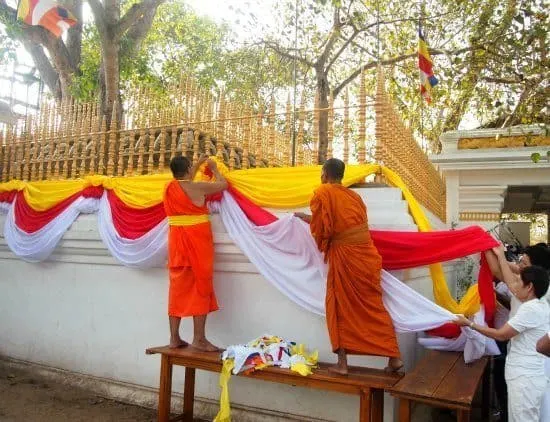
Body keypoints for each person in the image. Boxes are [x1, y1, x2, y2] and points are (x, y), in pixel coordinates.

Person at [295, 158, 402, 375]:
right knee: (373, 306)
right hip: (366, 256)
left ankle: (342, 364)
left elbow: (324, 230)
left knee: (338, 307)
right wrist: (310, 219)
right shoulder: (355, 197)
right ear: (341, 175)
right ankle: (394, 357)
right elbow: (340, 224)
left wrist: (308, 222)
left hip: (345, 257)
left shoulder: (322, 193)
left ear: (325, 174)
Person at [455, 245, 550, 422]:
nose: (518, 267)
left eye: (524, 263)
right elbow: (500, 269)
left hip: (527, 374)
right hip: (525, 369)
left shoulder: (532, 305)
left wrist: (469, 323)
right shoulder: (536, 293)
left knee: (527, 414)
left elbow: (501, 334)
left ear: (529, 285)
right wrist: (490, 247)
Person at [163, 155, 228, 351]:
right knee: (201, 287)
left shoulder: (169, 187)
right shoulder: (197, 187)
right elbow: (223, 185)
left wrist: (198, 164)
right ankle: (199, 338)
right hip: (197, 245)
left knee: (177, 289)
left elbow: (186, 180)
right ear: (189, 169)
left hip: (176, 245)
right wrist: (215, 169)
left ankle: (174, 338)